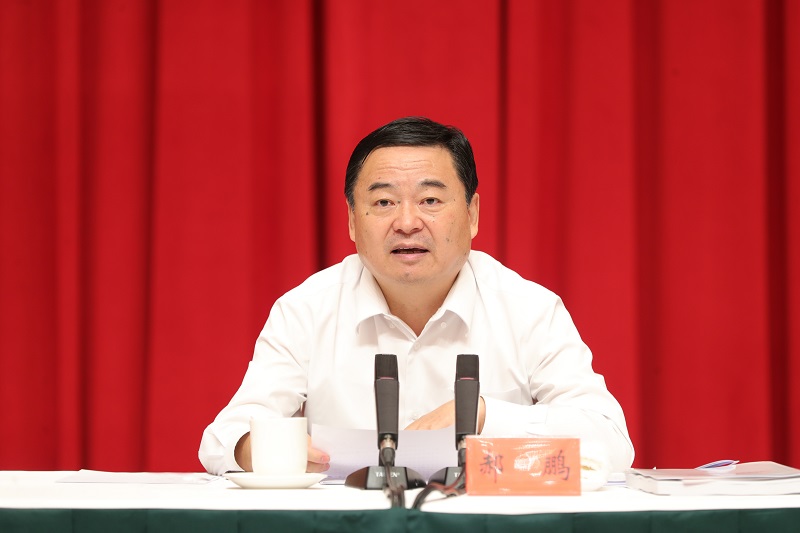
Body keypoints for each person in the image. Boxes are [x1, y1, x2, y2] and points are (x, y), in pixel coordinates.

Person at [199, 116, 634, 476]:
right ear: (351, 221)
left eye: (430, 200)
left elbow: (612, 444)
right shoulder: (306, 309)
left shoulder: (528, 309)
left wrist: (485, 414)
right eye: (384, 203)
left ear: (472, 214)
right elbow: (224, 437)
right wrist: (261, 451)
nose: (407, 223)